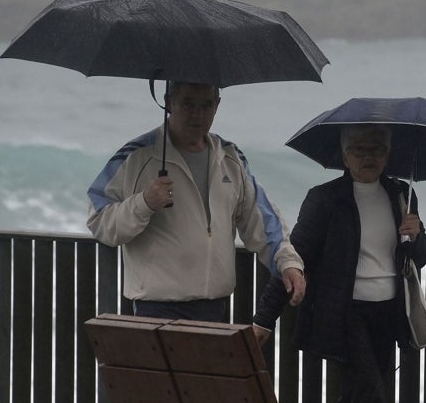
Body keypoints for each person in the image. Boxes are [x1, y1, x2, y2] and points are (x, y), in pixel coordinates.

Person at [253, 123, 426, 403]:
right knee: (372, 397)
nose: (369, 157)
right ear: (345, 157)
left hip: (388, 314)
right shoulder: (325, 199)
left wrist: (416, 236)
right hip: (346, 315)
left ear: (388, 155)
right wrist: (265, 317)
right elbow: (295, 256)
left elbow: (419, 258)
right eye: (359, 150)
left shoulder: (401, 195)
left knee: (353, 400)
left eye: (377, 150)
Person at [87, 81, 306, 338]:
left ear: (218, 106)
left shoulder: (230, 157)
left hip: (214, 306)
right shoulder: (136, 156)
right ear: (169, 102)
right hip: (156, 309)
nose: (198, 114)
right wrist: (144, 202)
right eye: (189, 104)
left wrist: (288, 264)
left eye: (206, 105)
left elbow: (262, 221)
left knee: (206, 380)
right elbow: (99, 219)